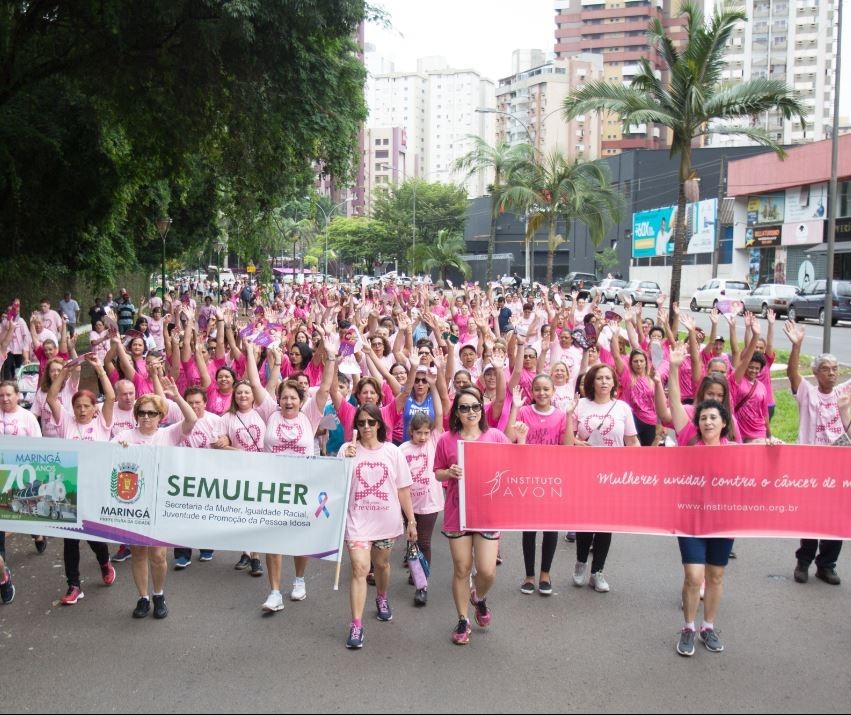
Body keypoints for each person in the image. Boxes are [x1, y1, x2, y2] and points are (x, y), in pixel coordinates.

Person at [248, 339, 335, 612]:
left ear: (300, 401)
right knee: (272, 537)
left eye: (293, 397)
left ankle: (299, 580)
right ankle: (274, 592)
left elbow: (324, 389)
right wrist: (251, 352)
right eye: (284, 397)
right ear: (278, 399)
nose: (288, 401)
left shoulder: (309, 416)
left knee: (300, 538)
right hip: (273, 486)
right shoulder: (269, 413)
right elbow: (254, 384)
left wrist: (331, 358)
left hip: (303, 486)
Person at [433, 388, 512, 645]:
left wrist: (519, 442)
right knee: (462, 568)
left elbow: (513, 466)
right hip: (458, 512)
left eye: (475, 406)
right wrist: (449, 473)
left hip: (488, 512)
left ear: (482, 409)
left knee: (487, 571)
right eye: (464, 407)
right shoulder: (446, 439)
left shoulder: (496, 436)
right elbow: (437, 472)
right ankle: (462, 619)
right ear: (457, 411)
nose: (471, 412)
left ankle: (478, 597)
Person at [111, 389, 197, 619]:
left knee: (158, 554)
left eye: (151, 413)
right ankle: (143, 597)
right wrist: (118, 453)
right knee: (138, 552)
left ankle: (158, 594)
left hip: (160, 502)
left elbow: (191, 419)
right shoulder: (124, 437)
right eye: (142, 412)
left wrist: (178, 396)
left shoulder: (168, 434)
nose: (146, 417)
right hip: (133, 502)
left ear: (160, 416)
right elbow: (104, 457)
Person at [341, 405, 417, 649]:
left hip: (386, 521)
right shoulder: (347, 449)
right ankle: (356, 625)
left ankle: (381, 598)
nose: (365, 427)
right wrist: (345, 462)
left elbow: (403, 489)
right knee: (360, 568)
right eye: (361, 423)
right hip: (357, 521)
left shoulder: (392, 452)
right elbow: (335, 484)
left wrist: (411, 520)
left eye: (370, 423)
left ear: (379, 425)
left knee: (382, 564)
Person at [46, 356, 117, 605]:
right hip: (69, 491)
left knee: (94, 537)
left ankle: (104, 562)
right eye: (78, 406)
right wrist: (64, 373)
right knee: (70, 540)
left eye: (87, 406)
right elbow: (51, 399)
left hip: (96, 489)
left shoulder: (102, 425)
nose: (83, 410)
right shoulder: (65, 422)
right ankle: (74, 585)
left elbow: (110, 397)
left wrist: (99, 368)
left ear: (93, 409)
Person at [566, 364, 640, 592]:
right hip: (585, 472)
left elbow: (632, 441)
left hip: (613, 475)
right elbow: (569, 441)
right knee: (586, 522)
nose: (604, 382)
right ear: (592, 382)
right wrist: (572, 424)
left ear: (614, 383)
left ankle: (597, 571)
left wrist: (642, 460)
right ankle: (581, 562)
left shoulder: (622, 408)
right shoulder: (581, 405)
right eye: (599, 378)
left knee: (605, 524)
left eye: (608, 378)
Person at [785, 322, 849, 585]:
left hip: (839, 465)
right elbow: (791, 374)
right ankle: (804, 562)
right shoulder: (807, 393)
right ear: (816, 373)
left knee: (837, 515)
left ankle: (827, 565)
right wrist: (796, 345)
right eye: (825, 369)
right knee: (811, 515)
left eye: (835, 369)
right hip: (812, 464)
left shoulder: (844, 393)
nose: (831, 374)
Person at [506, 379, 569, 596]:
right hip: (527, 478)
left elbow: (567, 445)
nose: (542, 393)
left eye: (546, 389)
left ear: (553, 391)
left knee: (550, 527)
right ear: (532, 391)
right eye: (538, 389)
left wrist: (569, 417)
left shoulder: (561, 415)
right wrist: (514, 407)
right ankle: (529, 576)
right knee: (529, 528)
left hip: (552, 478)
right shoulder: (523, 411)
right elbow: (509, 438)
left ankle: (545, 574)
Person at [398, 375, 445, 607]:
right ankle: (415, 567)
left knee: (424, 540)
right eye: (419, 433)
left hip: (429, 502)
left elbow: (439, 412)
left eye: (426, 433)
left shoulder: (434, 441)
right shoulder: (402, 450)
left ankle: (422, 584)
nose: (423, 437)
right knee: (411, 537)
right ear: (411, 431)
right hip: (408, 503)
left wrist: (435, 385)